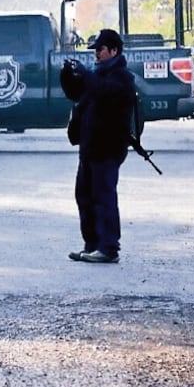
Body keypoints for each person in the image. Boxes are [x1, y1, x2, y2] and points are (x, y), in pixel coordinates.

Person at [60, 28, 137, 264]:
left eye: (101, 50)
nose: (96, 55)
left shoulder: (122, 77)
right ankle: (92, 245)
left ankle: (108, 248)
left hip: (108, 148)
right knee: (84, 196)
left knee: (104, 198)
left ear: (114, 50)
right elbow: (76, 94)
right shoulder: (97, 75)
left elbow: (104, 93)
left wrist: (87, 76)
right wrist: (67, 75)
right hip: (89, 147)